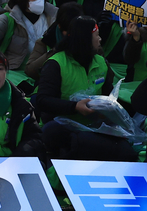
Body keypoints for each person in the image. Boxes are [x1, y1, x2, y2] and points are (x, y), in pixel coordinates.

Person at [33, 16, 135, 162]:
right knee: (53, 133)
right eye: (96, 35)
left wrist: (108, 110)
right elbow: (42, 100)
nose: (100, 39)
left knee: (127, 152)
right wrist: (74, 107)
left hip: (95, 125)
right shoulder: (56, 64)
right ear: (85, 38)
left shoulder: (101, 62)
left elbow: (108, 95)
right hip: (64, 125)